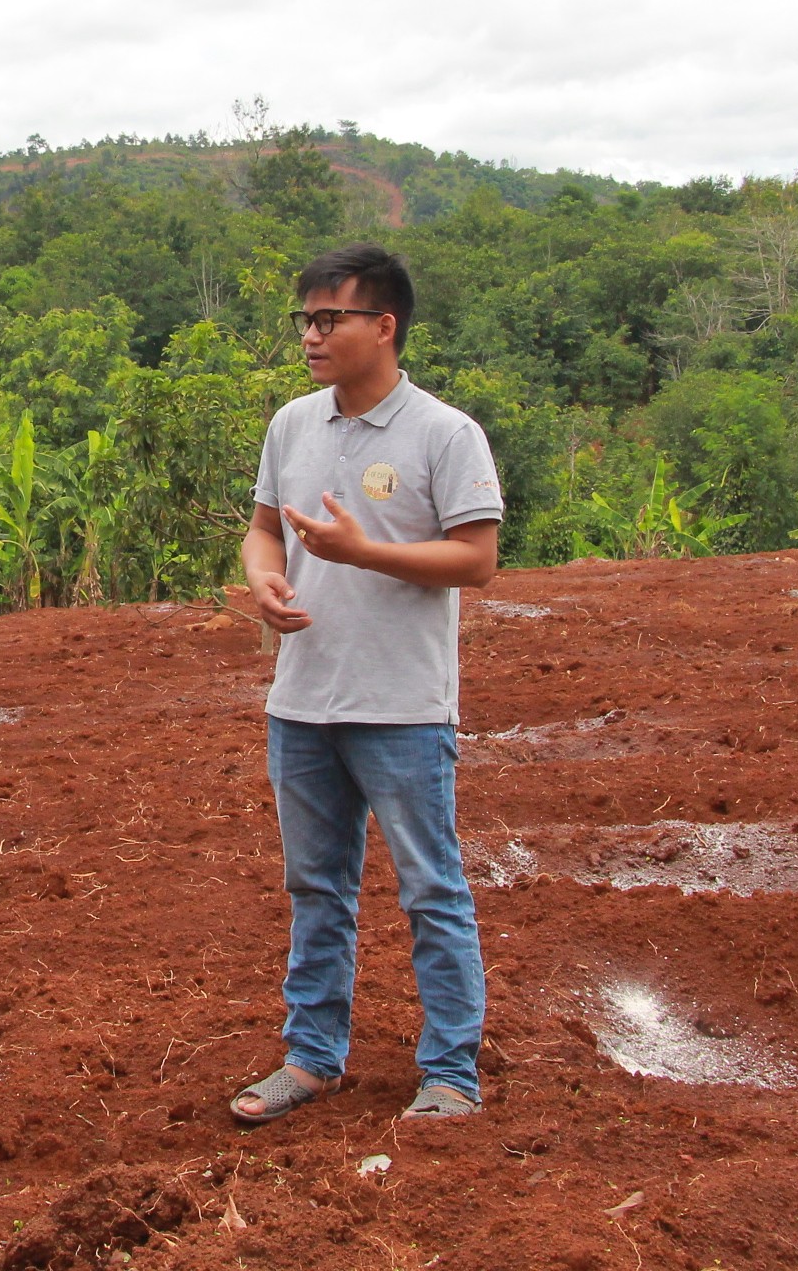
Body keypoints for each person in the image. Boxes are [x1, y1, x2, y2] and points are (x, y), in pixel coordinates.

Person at [228, 243, 504, 1128]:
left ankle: (451, 1073)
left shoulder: (444, 434)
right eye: (305, 320)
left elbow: (478, 559)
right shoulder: (293, 426)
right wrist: (266, 579)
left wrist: (363, 551)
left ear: (382, 327)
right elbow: (263, 530)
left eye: (328, 319)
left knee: (431, 890)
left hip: (403, 710)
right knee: (317, 889)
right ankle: (312, 1058)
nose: (311, 335)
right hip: (301, 705)